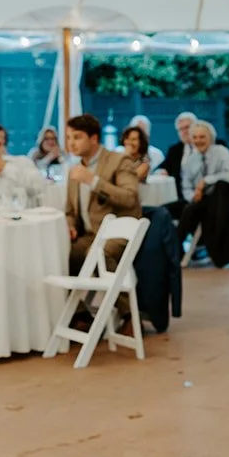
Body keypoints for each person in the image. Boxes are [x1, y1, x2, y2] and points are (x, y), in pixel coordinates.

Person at [64, 114, 141, 329]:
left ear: (94, 138)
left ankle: (130, 316)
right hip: (89, 234)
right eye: (68, 138)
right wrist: (70, 225)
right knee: (58, 251)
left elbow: (129, 197)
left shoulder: (119, 161)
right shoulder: (74, 170)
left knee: (98, 253)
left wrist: (93, 181)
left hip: (118, 232)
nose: (71, 143)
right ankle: (81, 315)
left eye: (77, 137)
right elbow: (69, 211)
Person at [177, 121, 229, 249]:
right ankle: (174, 249)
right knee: (167, 210)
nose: (198, 141)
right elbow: (186, 186)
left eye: (202, 137)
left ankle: (176, 250)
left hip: (218, 200)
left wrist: (206, 181)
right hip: (197, 199)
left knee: (189, 211)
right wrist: (193, 197)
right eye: (195, 137)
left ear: (210, 137)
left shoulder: (221, 152)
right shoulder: (191, 159)